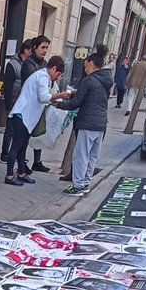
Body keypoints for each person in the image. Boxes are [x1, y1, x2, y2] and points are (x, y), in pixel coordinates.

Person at [53, 50, 112, 195]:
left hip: (88, 122)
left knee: (81, 155)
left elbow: (76, 103)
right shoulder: (106, 80)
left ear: (92, 64)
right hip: (101, 123)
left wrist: (58, 104)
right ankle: (85, 182)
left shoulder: (89, 80)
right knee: (92, 156)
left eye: (86, 66)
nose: (85, 70)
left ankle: (78, 185)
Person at [5, 55, 65, 187]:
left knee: (22, 147)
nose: (58, 77)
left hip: (27, 117)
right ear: (53, 69)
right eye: (58, 74)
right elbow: (43, 97)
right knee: (16, 147)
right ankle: (9, 175)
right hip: (22, 115)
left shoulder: (43, 76)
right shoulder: (43, 77)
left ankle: (21, 173)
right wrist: (59, 95)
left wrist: (54, 99)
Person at [0, 40, 34, 161]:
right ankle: (5, 154)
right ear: (25, 51)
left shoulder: (31, 64)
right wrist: (9, 104)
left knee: (19, 129)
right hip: (14, 100)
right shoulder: (13, 64)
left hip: (24, 102)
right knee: (10, 129)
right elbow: (8, 85)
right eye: (31, 50)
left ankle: (16, 154)